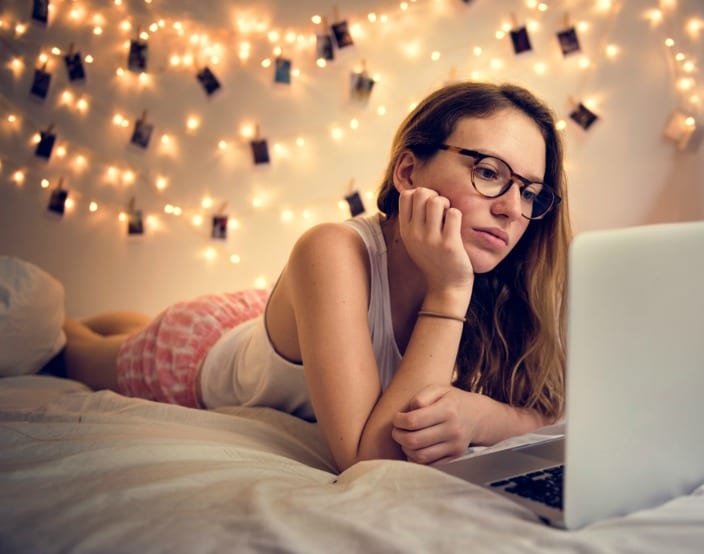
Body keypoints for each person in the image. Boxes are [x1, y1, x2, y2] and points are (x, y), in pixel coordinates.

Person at [62, 81, 572, 472]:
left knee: (127, 323)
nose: (511, 209)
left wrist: (481, 416)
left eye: (530, 192)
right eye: (489, 173)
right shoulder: (331, 249)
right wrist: (450, 288)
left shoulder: (500, 278)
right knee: (71, 349)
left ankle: (124, 321)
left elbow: (546, 410)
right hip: (193, 353)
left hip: (275, 323)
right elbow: (366, 459)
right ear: (408, 173)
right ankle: (76, 321)